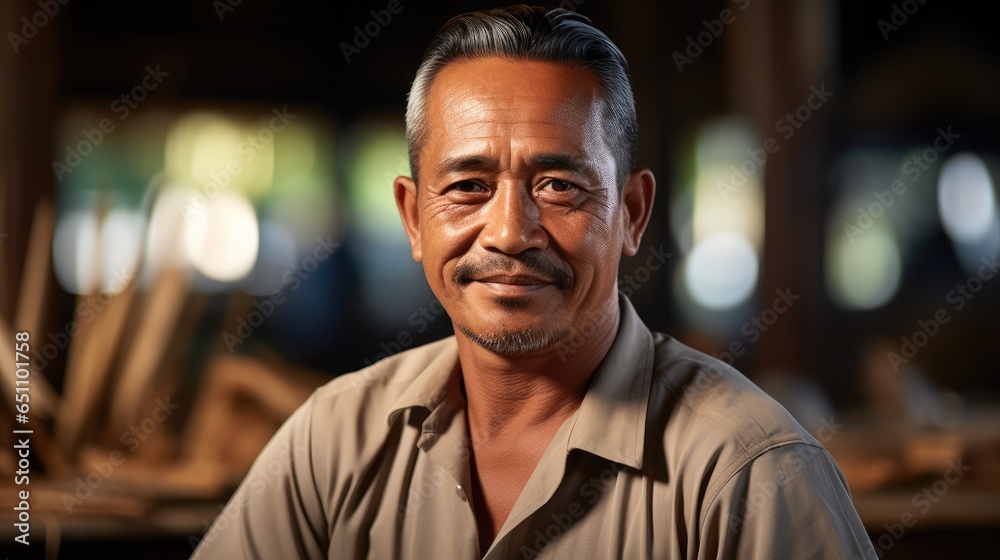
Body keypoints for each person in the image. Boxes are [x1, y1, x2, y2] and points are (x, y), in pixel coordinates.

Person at [190, 5, 877, 559]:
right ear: (412, 217)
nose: (511, 233)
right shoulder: (333, 441)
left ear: (632, 213)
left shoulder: (747, 471)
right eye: (467, 186)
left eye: (558, 185)